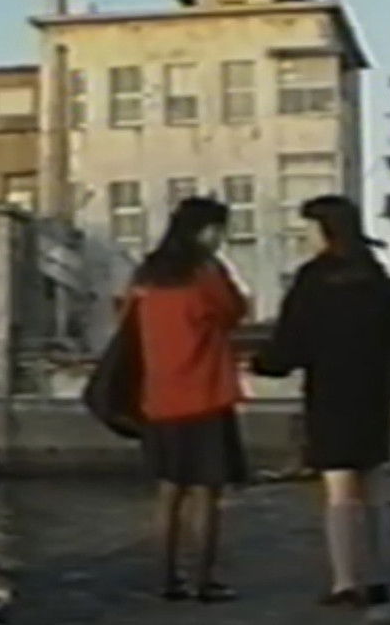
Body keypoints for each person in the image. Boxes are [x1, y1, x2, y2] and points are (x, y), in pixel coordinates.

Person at [251, 195, 390, 621]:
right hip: (372, 390)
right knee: (370, 485)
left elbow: (292, 339)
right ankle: (376, 576)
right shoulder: (374, 275)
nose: (306, 237)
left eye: (310, 229)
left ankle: (346, 580)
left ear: (325, 231)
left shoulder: (314, 279)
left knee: (339, 487)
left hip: (331, 391)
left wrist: (265, 364)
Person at [126, 197, 248, 603]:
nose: (221, 237)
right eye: (218, 229)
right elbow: (234, 311)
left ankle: (165, 579)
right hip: (205, 395)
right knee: (206, 493)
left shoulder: (146, 275)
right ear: (204, 231)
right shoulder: (205, 273)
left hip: (159, 398)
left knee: (169, 491)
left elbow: (127, 323)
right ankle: (203, 581)